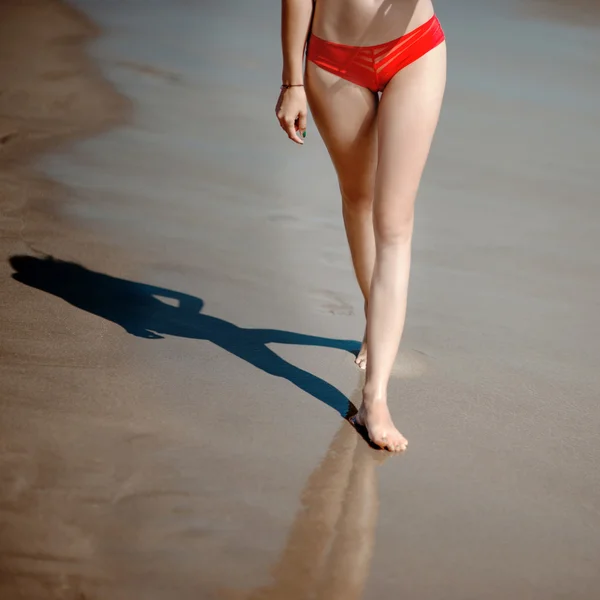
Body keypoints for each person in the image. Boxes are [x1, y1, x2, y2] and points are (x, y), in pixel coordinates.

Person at [276, 0, 447, 452]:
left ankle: (376, 399)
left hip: (414, 49)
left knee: (394, 222)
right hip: (335, 61)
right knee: (359, 197)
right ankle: (376, 312)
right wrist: (292, 81)